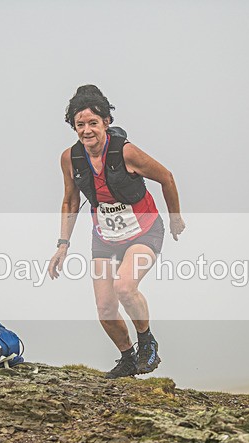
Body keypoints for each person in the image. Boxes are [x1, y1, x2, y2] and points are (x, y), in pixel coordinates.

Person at [47, 85, 186, 379]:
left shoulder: (126, 152)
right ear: (73, 126)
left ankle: (147, 342)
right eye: (80, 124)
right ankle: (127, 359)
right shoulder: (70, 158)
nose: (87, 130)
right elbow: (70, 200)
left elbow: (167, 178)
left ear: (106, 122)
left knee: (124, 287)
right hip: (105, 238)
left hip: (144, 231)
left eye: (93, 123)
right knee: (105, 308)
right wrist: (63, 244)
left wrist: (175, 218)